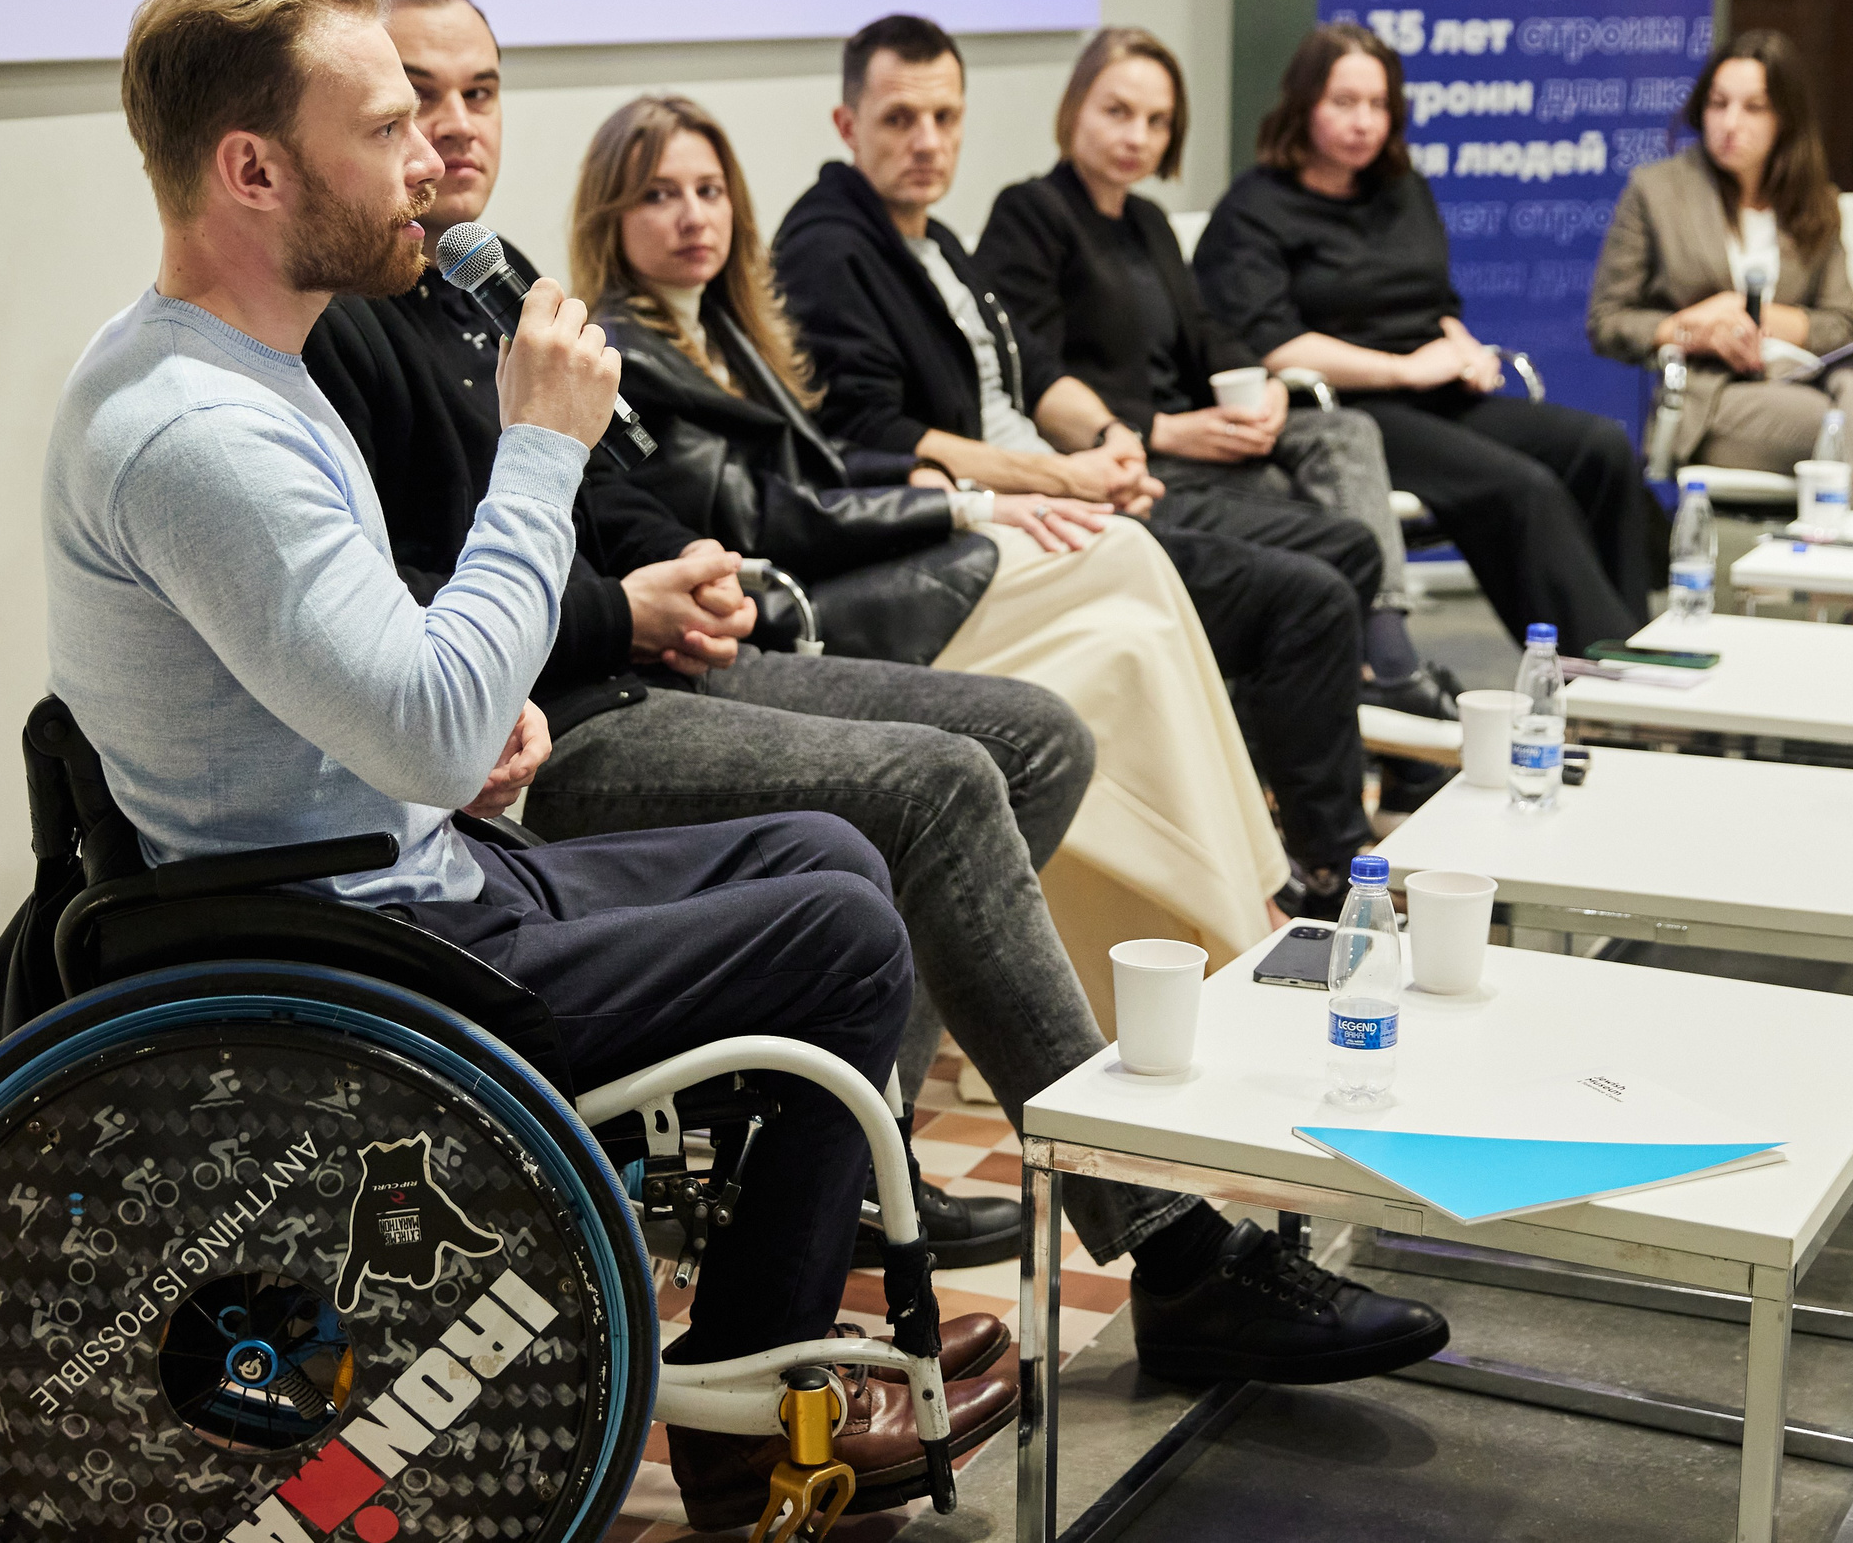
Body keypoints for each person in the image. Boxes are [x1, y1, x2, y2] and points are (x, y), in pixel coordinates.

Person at [45, 0, 1011, 1525]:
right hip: (345, 945)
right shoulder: (198, 431)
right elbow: (424, 719)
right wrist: (540, 449)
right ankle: (750, 1409)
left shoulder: (242, 369)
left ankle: (759, 1359)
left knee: (829, 848)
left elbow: (390, 689)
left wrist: (449, 732)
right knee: (842, 928)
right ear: (252, 168)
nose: (431, 156)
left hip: (396, 864)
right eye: (384, 126)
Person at [570, 83, 1450, 1484]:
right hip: (703, 652)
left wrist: (1055, 466)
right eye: (659, 193)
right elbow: (735, 520)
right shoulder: (590, 338)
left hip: (731, 621)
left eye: (704, 189)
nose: (690, 214)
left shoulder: (709, 322)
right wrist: (988, 491)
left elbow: (734, 504)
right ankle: (1166, 1225)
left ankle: (1226, 954)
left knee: (1047, 718)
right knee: (997, 732)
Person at [302, 0, 1071, 1282]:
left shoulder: (497, 278)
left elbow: (618, 487)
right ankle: (1151, 1226)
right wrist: (623, 607)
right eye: (417, 97)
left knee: (1038, 735)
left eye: (480, 91)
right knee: (939, 783)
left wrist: (686, 567)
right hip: (552, 730)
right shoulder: (341, 323)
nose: (456, 124)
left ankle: (846, 1132)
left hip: (637, 663)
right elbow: (406, 610)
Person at [775, 14, 1388, 921]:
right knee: (1301, 598)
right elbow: (882, 439)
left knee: (1318, 571)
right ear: (846, 125)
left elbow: (1033, 368)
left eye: (946, 118)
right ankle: (1301, 884)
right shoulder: (833, 244)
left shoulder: (935, 240)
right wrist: (1066, 479)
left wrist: (1108, 438)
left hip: (1056, 494)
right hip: (992, 528)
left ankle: (1275, 876)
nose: (928, 142)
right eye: (901, 120)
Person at [976, 26, 1458, 725]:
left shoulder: (1147, 221)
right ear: (1074, 107)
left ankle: (1384, 661)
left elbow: (1208, 334)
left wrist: (1259, 385)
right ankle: (1377, 685)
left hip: (1203, 440)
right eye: (1117, 111)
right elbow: (1030, 373)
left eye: (1157, 121)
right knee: (1319, 523)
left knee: (1345, 430)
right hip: (1126, 456)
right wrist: (1166, 427)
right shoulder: (1031, 213)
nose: (1136, 135)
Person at [1193, 22, 1649, 648]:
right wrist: (1402, 370)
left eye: (1379, 105)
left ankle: (1638, 645)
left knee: (1599, 446)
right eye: (1344, 103)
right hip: (1349, 410)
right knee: (1521, 488)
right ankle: (1598, 673)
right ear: (1303, 106)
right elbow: (1273, 344)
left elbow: (1436, 302)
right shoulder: (1254, 210)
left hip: (1436, 392)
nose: (1364, 123)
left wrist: (1462, 349)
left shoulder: (1401, 190)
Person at [1587, 29, 1853, 512]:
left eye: (1753, 108)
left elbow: (1840, 326)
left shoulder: (1815, 202)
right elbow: (1607, 322)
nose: (1729, 123)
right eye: (1718, 104)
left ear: (1785, 119)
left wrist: (1756, 315)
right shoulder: (1656, 192)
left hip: (1805, 380)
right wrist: (1700, 327)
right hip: (1718, 399)